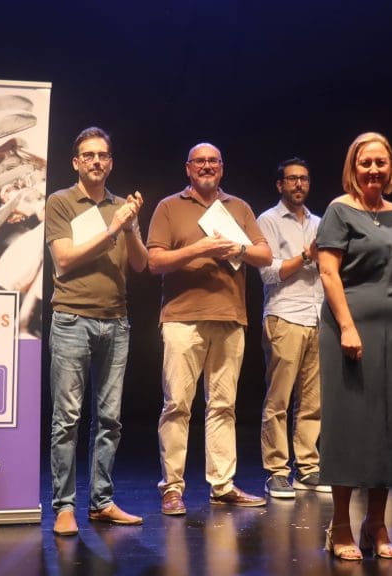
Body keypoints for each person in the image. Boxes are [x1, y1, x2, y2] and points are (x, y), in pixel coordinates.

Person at [146, 142, 273, 515]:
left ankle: (222, 485)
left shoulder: (239, 208)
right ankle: (172, 487)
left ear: (222, 167)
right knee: (177, 405)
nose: (206, 166)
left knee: (223, 405)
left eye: (213, 161)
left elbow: (265, 255)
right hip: (182, 318)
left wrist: (238, 250)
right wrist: (199, 249)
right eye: (199, 161)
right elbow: (155, 261)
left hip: (230, 317)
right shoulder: (169, 207)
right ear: (188, 168)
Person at [317, 132, 392, 560]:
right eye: (365, 163)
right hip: (350, 328)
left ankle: (376, 523)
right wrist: (347, 326)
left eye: (381, 162)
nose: (373, 169)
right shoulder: (339, 210)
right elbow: (328, 273)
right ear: (353, 167)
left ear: (390, 167)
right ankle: (339, 525)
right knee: (350, 425)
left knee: (390, 425)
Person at [44, 127, 147, 535]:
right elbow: (64, 260)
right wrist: (112, 229)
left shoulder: (122, 207)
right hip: (72, 319)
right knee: (67, 419)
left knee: (109, 420)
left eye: (102, 155)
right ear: (76, 162)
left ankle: (101, 501)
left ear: (111, 162)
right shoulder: (61, 202)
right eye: (88, 155)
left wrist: (131, 227)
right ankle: (64, 506)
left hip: (116, 321)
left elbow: (140, 264)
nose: (96, 161)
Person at [256, 157, 329, 499]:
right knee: (279, 400)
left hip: (317, 316)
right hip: (285, 316)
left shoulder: (320, 222)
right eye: (292, 179)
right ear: (280, 185)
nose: (299, 184)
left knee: (313, 400)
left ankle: (308, 467)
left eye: (304, 179)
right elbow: (269, 273)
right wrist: (307, 256)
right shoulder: (268, 221)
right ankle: (276, 471)